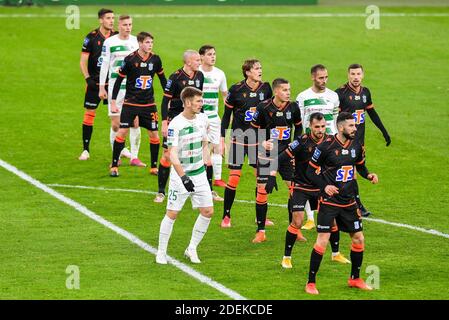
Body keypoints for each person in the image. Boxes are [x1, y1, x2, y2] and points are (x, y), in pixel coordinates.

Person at [304, 112, 379, 295]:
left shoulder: (356, 145)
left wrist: (368, 174)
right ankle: (311, 283)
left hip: (348, 201)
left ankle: (355, 279)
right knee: (323, 240)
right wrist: (325, 186)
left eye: (355, 125)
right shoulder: (325, 147)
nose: (355, 128)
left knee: (359, 238)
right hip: (329, 202)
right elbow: (310, 171)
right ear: (340, 127)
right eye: (351, 126)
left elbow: (359, 165)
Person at [267, 112, 350, 268]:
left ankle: (336, 254)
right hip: (301, 186)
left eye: (323, 126)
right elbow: (280, 158)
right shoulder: (302, 142)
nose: (320, 130)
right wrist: (271, 175)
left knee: (331, 220)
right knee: (297, 221)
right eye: (317, 127)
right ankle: (286, 257)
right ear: (310, 126)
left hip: (320, 186)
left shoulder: (330, 141)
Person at [156, 87, 213, 265]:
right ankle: (161, 252)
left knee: (208, 211)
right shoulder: (175, 124)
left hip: (199, 174)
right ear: (188, 103)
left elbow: (205, 142)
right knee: (172, 213)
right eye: (198, 101)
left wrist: (207, 162)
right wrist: (183, 177)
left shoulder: (203, 119)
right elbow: (171, 153)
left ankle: (192, 248)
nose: (201, 104)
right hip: (181, 176)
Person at [220, 59, 272, 228]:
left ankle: (261, 218)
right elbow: (227, 116)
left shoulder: (266, 88)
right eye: (257, 68)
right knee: (234, 178)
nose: (260, 71)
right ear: (248, 72)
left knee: (262, 179)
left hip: (260, 140)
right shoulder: (235, 90)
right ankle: (226, 216)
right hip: (238, 138)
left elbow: (270, 113)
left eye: (260, 68)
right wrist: (222, 139)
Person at [154, 50, 210, 202]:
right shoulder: (175, 77)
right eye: (197, 60)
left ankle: (200, 188)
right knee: (167, 154)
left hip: (193, 119)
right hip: (175, 120)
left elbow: (199, 101)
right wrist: (165, 122)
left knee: (196, 150)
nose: (200, 62)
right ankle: (161, 191)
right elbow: (165, 101)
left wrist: (204, 120)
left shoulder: (200, 76)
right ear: (188, 62)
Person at [250, 78, 302, 243]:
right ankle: (261, 231)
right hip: (266, 154)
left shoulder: (293, 107)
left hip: (287, 155)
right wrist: (261, 142)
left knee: (294, 190)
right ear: (276, 91)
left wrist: (296, 143)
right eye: (285, 90)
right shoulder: (263, 107)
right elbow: (252, 129)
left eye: (289, 89)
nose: (288, 93)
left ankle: (294, 229)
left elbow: (299, 126)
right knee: (262, 190)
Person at [108, 32, 167, 177]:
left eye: (151, 42)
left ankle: (153, 167)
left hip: (149, 104)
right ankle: (114, 165)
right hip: (131, 103)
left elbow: (163, 80)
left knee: (154, 134)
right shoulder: (129, 59)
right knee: (122, 131)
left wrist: (170, 97)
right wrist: (114, 101)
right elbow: (119, 80)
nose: (150, 45)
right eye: (147, 42)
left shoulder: (156, 59)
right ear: (140, 43)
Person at [336, 64, 391, 217]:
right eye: (352, 74)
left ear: (363, 75)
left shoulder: (365, 92)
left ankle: (353, 204)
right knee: (350, 173)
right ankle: (357, 205)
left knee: (354, 171)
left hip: (359, 141)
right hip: (345, 141)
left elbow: (372, 113)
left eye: (358, 74)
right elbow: (336, 119)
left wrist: (384, 131)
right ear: (348, 75)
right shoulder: (340, 93)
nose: (355, 77)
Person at [296, 64, 340, 231]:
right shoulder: (303, 96)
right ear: (313, 77)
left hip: (328, 145)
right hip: (309, 146)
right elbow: (299, 121)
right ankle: (310, 218)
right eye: (321, 77)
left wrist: (336, 141)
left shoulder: (333, 96)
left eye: (326, 77)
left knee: (327, 178)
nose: (324, 81)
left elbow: (335, 121)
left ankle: (329, 215)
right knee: (308, 179)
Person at [99, 15, 145, 167]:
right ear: (119, 25)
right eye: (125, 24)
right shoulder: (110, 42)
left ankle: (134, 157)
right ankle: (116, 155)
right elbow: (105, 65)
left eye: (130, 24)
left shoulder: (135, 42)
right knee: (116, 124)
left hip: (133, 88)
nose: (128, 27)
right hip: (115, 87)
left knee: (135, 122)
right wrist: (101, 86)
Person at [78, 8, 116, 161]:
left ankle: (122, 148)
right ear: (101, 20)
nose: (111, 21)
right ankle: (86, 150)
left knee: (117, 116)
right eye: (108, 18)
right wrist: (88, 79)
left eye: (113, 18)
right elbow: (83, 61)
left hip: (113, 83)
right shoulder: (91, 38)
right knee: (89, 115)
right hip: (95, 83)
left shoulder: (116, 37)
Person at [199, 45, 228, 188]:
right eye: (209, 54)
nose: (213, 57)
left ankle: (217, 178)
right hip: (198, 117)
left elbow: (225, 96)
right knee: (200, 146)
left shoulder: (220, 74)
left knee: (217, 147)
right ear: (201, 57)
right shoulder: (196, 73)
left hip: (213, 116)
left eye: (214, 54)